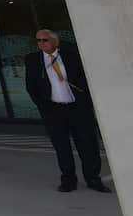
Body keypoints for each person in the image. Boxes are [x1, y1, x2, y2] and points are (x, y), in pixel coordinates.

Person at [24, 29, 111, 193]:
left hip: (77, 108)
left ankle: (93, 179)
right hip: (54, 110)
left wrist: (87, 101)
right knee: (61, 147)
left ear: (55, 41)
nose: (41, 43)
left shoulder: (72, 56)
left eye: (45, 40)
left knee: (88, 145)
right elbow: (31, 87)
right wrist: (44, 107)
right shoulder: (33, 60)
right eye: (38, 40)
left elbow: (87, 78)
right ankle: (68, 180)